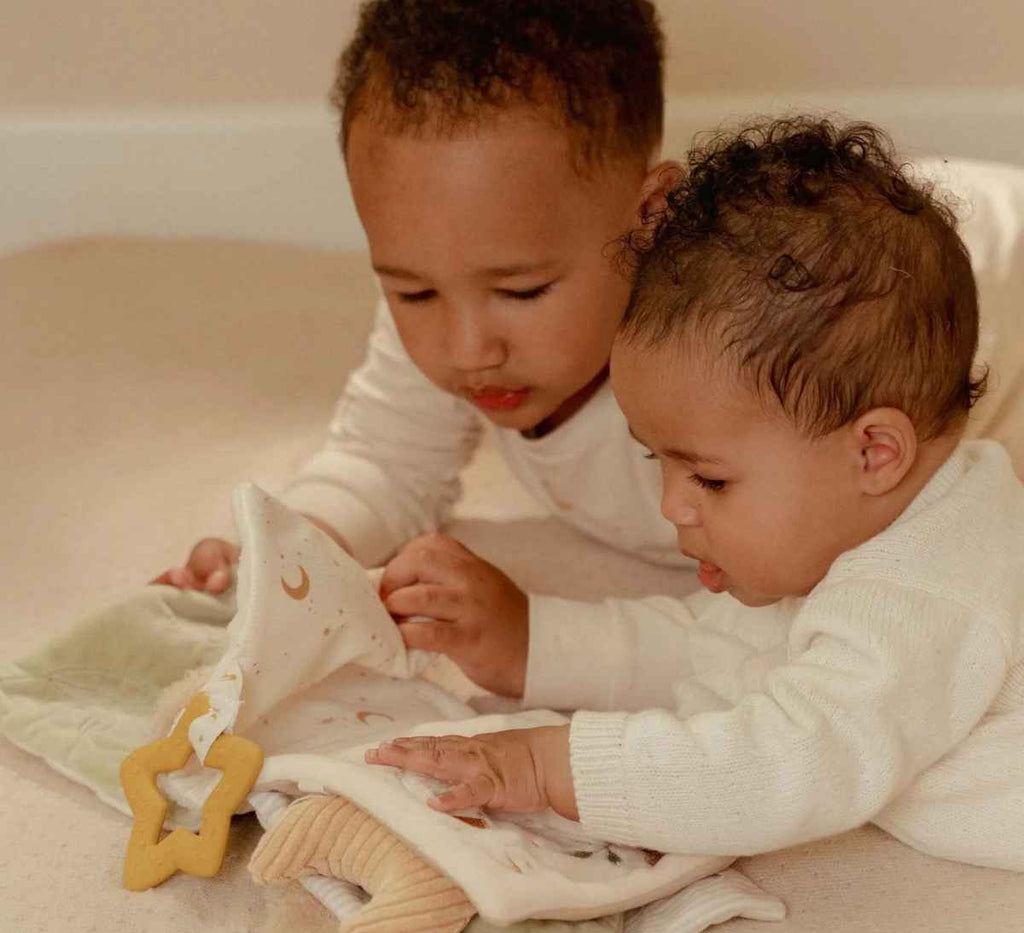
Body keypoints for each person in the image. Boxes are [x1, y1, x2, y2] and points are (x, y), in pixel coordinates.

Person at [367, 118, 1024, 873]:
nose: (673, 506)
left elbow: (786, 760)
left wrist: (552, 769)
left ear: (874, 451)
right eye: (659, 461)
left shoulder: (926, 588)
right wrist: (535, 644)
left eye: (709, 478)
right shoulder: (864, 526)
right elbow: (722, 647)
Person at [154, 0, 694, 697]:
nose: (467, 349)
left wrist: (540, 640)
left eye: (523, 291)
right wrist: (290, 551)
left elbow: (802, 631)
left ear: (651, 218)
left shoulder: (742, 348)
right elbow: (387, 458)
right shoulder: (459, 300)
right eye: (413, 293)